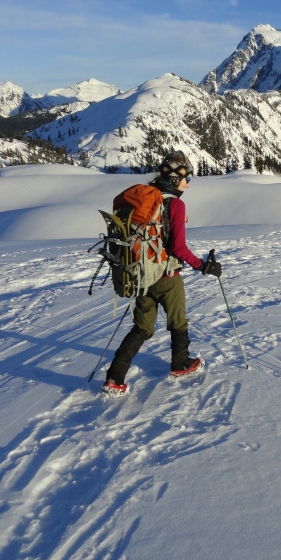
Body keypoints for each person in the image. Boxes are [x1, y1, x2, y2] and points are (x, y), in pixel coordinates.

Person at [102, 150, 221, 396]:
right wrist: (202, 265)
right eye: (188, 177)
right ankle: (180, 364)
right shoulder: (175, 204)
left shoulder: (146, 200)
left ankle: (115, 377)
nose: (189, 182)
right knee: (178, 322)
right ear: (176, 178)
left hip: (143, 275)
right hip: (167, 277)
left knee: (142, 327)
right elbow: (178, 247)